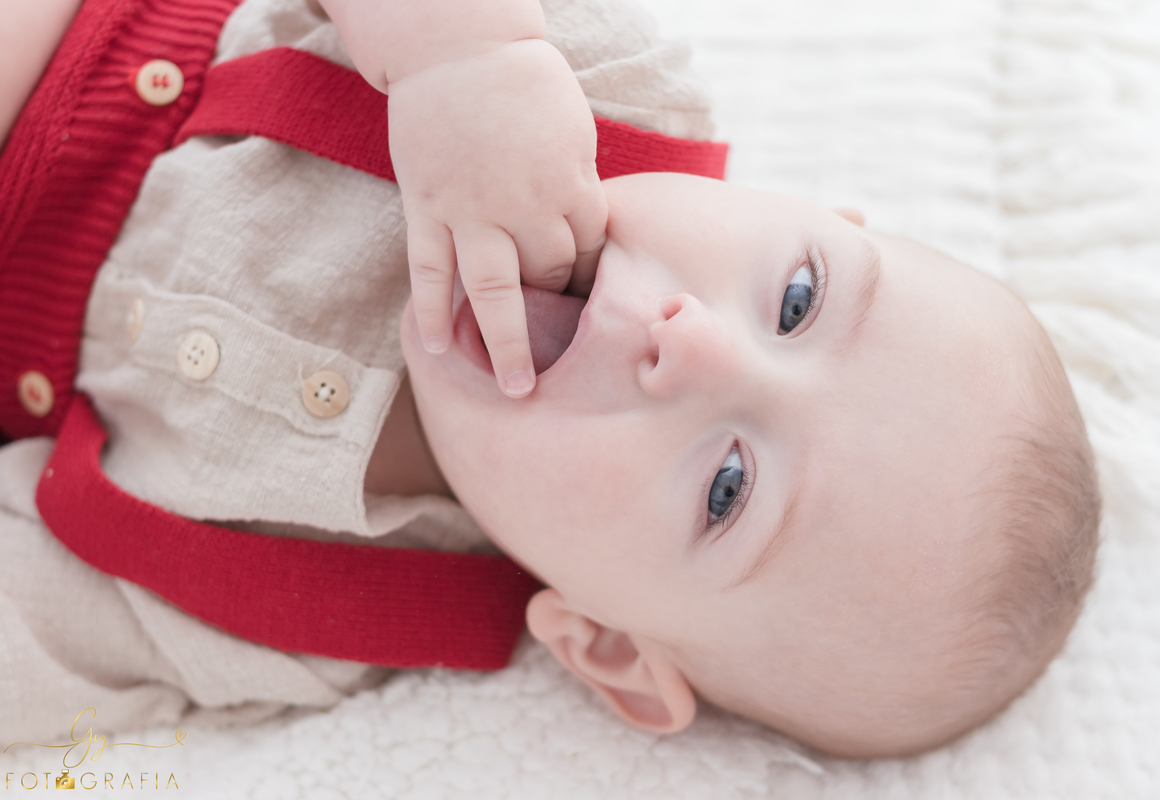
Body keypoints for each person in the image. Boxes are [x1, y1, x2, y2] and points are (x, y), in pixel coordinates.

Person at [0, 0, 1099, 759]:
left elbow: (40, 631)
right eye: (798, 300)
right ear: (811, 215)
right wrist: (458, 59)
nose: (695, 343)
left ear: (609, 644)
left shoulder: (319, 608)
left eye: (729, 488)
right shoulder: (595, 96)